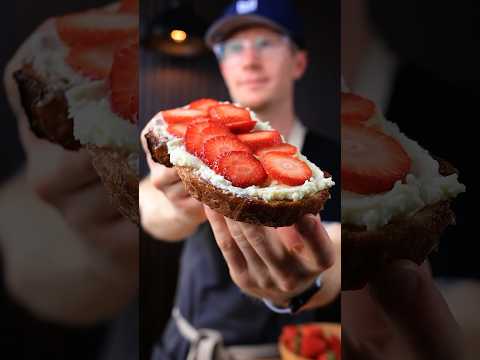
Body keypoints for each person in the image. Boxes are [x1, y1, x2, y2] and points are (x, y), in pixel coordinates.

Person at [140, 0, 341, 359]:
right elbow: (148, 207)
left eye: (266, 43)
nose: (249, 59)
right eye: (233, 47)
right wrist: (181, 208)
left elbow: (343, 253)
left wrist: (307, 282)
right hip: (178, 347)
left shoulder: (327, 165)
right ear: (222, 64)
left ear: (299, 62)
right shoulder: (193, 145)